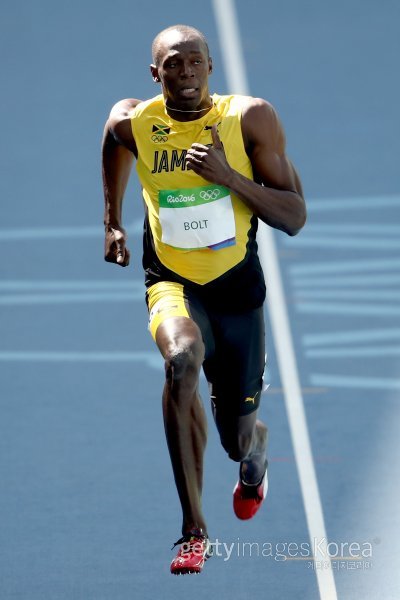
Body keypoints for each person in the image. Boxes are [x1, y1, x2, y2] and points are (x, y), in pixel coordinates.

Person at [101, 24, 306, 575]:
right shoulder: (136, 121)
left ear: (211, 66)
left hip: (238, 292)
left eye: (195, 62)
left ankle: (255, 450)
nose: (185, 73)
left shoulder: (250, 118)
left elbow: (293, 217)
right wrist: (113, 223)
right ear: (155, 73)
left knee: (236, 443)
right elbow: (113, 141)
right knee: (181, 362)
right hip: (172, 281)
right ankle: (193, 528)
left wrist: (227, 176)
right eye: (173, 64)